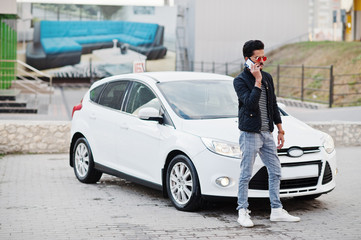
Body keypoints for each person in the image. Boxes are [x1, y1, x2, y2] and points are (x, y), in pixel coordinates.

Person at [233, 40, 300, 227]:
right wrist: (257, 80)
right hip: (250, 133)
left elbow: (273, 105)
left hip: (267, 133)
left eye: (263, 57)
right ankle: (242, 211)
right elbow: (250, 104)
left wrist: (280, 129)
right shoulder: (239, 80)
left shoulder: (268, 77)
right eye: (257, 58)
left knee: (276, 171)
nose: (261, 61)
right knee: (246, 174)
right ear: (247, 59)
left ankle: (277, 210)